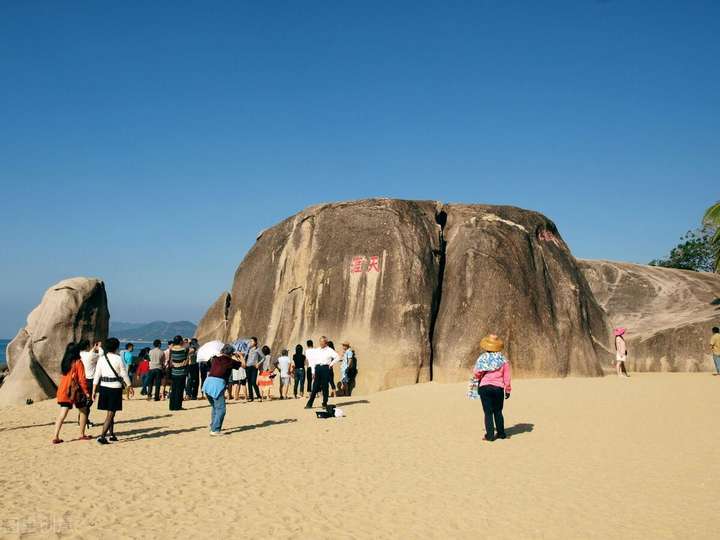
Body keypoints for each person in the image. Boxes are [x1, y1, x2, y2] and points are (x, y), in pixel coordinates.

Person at [93, 337, 133, 444]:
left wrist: (93, 390)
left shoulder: (102, 358)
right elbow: (124, 373)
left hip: (104, 387)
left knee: (111, 412)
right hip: (115, 388)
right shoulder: (118, 358)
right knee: (111, 413)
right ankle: (102, 436)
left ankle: (112, 434)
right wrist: (130, 386)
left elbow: (97, 375)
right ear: (116, 347)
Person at [472, 334, 512, 442]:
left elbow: (476, 373)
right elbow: (507, 377)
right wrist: (507, 390)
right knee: (498, 411)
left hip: (484, 388)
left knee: (488, 412)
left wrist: (479, 378)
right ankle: (501, 433)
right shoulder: (503, 360)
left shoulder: (482, 358)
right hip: (498, 388)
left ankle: (489, 436)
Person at [52, 343, 92, 444]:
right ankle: (81, 434)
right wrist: (86, 392)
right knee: (83, 411)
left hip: (64, 389)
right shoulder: (78, 362)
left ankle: (55, 436)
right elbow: (82, 379)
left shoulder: (65, 362)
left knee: (62, 414)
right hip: (75, 391)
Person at [202, 344, 243, 435]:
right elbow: (244, 365)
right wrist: (240, 356)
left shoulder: (215, 358)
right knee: (221, 409)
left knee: (215, 407)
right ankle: (215, 429)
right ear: (231, 353)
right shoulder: (230, 361)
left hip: (208, 383)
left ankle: (213, 425)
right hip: (217, 384)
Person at [305, 336, 340, 409]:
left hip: (325, 368)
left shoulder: (329, 350)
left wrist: (330, 364)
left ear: (326, 342)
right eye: (320, 341)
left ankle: (324, 403)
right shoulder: (317, 350)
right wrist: (313, 371)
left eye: (322, 341)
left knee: (325, 386)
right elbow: (313, 361)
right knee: (315, 386)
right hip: (317, 368)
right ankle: (309, 403)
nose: (321, 343)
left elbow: (337, 357)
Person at [79, 339, 101, 426]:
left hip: (81, 380)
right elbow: (101, 355)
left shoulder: (79, 355)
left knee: (82, 401)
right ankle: (85, 420)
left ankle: (80, 420)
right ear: (87, 346)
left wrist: (93, 348)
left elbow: (89, 354)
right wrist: (98, 348)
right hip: (90, 380)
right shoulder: (91, 355)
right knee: (89, 401)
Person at [168, 335, 189, 411]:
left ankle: (171, 406)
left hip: (174, 372)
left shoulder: (171, 349)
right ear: (180, 341)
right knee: (180, 389)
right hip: (181, 372)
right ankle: (178, 406)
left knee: (173, 389)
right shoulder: (184, 349)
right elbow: (191, 350)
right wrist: (187, 343)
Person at [244, 337, 265, 402]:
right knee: (249, 383)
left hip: (254, 367)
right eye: (250, 341)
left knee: (253, 382)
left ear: (255, 342)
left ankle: (258, 396)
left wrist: (258, 364)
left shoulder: (258, 349)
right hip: (247, 367)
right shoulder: (248, 349)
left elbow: (263, 357)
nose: (251, 343)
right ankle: (251, 397)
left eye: (252, 341)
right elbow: (245, 357)